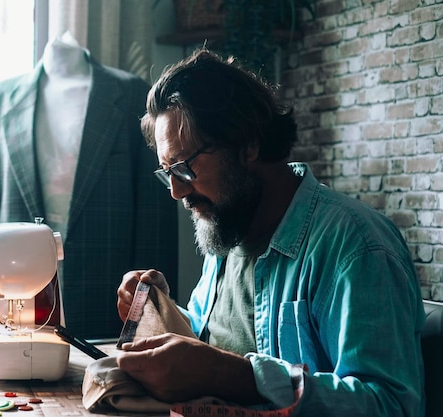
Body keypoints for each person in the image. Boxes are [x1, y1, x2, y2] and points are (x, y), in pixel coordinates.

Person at [116, 48, 426, 416]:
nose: (177, 191)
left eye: (184, 168)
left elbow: (390, 405)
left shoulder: (357, 246)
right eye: (168, 172)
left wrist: (232, 375)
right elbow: (208, 338)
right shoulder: (226, 228)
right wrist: (160, 310)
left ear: (248, 144)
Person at [0, 32, 178, 339]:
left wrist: (156, 321)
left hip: (107, 301)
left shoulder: (131, 95)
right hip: (15, 305)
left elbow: (154, 219)